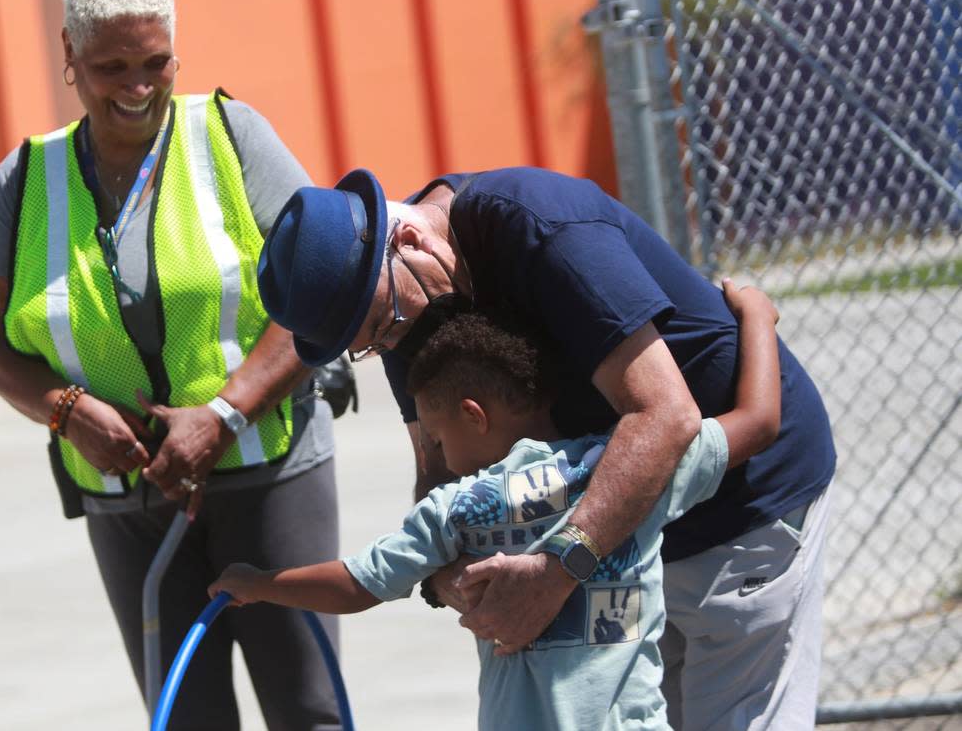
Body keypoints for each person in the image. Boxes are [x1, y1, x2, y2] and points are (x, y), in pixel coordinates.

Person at [258, 167, 837, 730]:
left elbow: (667, 416)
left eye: (388, 324)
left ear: (408, 239)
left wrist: (556, 569)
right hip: (619, 548)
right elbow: (435, 476)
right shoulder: (399, 302)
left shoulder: (543, 226)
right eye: (374, 345)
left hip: (738, 508)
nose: (395, 344)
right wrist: (450, 580)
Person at [0, 0, 340, 728]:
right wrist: (68, 410)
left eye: (157, 62)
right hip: (128, 502)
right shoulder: (23, 179)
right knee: (186, 717)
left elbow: (326, 288)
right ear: (69, 55)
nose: (138, 86)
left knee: (308, 709)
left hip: (268, 474)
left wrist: (224, 413)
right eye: (113, 67)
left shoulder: (232, 135)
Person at [209, 279, 782, 731]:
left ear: (474, 415)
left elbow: (358, 585)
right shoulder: (627, 472)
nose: (436, 455)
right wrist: (757, 316)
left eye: (437, 436)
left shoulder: (457, 508)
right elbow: (758, 423)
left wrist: (259, 583)